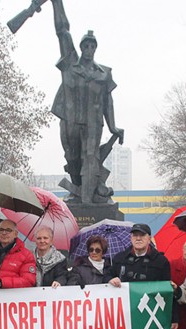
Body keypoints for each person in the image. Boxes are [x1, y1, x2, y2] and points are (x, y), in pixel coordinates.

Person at [50, 0, 124, 203]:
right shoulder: (70, 63)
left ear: (95, 48)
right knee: (72, 158)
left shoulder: (104, 73)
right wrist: (57, 3)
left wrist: (113, 126)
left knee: (90, 157)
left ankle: (87, 200)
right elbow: (62, 30)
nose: (89, 48)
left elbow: (108, 100)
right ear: (81, 47)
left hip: (93, 123)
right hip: (70, 119)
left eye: (93, 46)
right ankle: (80, 190)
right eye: (86, 45)